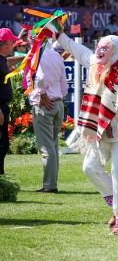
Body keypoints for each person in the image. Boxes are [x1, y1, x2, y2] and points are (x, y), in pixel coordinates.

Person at [57, 33, 118, 235]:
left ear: (114, 51)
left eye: (104, 48)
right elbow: (79, 51)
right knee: (90, 167)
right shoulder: (99, 65)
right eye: (98, 46)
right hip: (103, 129)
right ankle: (117, 203)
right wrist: (60, 35)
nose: (98, 50)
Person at [29, 42, 67, 193]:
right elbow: (64, 83)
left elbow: (40, 78)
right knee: (53, 144)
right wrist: (58, 96)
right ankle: (52, 183)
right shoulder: (57, 55)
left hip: (45, 104)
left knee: (47, 146)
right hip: (57, 103)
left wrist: (43, 95)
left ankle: (50, 185)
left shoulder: (37, 55)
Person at [0, 28, 24, 175]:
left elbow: (7, 62)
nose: (14, 44)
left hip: (3, 107)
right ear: (7, 43)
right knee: (2, 144)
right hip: (0, 107)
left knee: (3, 144)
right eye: (13, 41)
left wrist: (25, 57)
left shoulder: (2, 58)